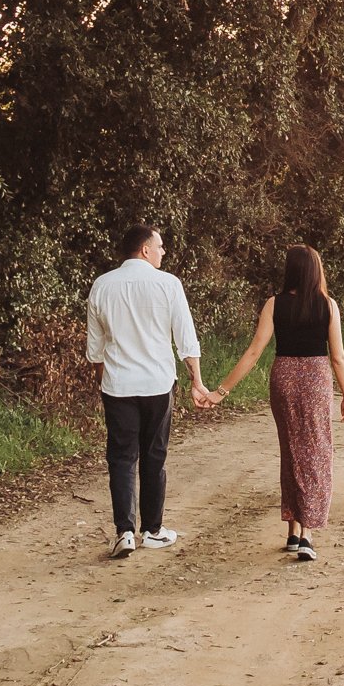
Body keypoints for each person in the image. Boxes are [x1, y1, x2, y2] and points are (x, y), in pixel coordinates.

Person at [199, 244, 344, 560]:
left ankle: (293, 531)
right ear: (315, 270)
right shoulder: (328, 306)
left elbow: (255, 351)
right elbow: (337, 356)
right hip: (315, 379)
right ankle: (307, 534)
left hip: (283, 377)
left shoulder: (274, 304)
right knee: (316, 453)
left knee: (292, 450)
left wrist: (221, 391)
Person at [85, 223, 205, 559]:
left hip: (118, 385)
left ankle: (124, 532)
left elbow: (95, 349)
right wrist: (196, 380)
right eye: (161, 246)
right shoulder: (167, 284)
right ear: (145, 250)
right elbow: (185, 337)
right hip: (157, 384)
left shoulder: (102, 285)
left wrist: (104, 383)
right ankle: (152, 530)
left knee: (122, 458)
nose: (164, 252)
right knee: (154, 456)